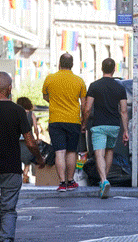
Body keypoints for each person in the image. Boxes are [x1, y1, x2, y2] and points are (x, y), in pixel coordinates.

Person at [0, 72, 45, 242]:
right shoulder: (18, 111)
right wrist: (39, 158)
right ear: (10, 89)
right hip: (12, 169)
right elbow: (30, 142)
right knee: (8, 211)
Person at [82, 58, 129, 199]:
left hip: (99, 125)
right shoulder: (120, 87)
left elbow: (88, 108)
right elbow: (124, 111)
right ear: (114, 69)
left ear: (101, 68)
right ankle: (104, 180)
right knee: (109, 152)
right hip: (114, 125)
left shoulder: (94, 86)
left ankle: (103, 180)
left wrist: (84, 123)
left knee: (99, 153)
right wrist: (125, 130)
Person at [42, 53, 87, 192]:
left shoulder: (50, 78)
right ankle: (71, 181)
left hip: (55, 120)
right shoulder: (79, 81)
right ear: (72, 64)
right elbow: (84, 106)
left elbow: (45, 96)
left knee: (59, 152)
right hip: (73, 120)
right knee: (72, 152)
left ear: (59, 63)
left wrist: (56, 103)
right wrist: (84, 122)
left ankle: (62, 183)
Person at [16, 97, 40, 184]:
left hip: (17, 139)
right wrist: (37, 137)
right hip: (29, 138)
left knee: (18, 158)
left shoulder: (16, 113)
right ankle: (25, 175)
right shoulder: (31, 114)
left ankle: (21, 173)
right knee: (28, 159)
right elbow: (36, 128)